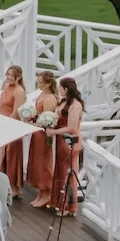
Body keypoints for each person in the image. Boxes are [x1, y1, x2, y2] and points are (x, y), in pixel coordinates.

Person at [51, 74, 85, 216]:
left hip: (69, 141)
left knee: (68, 174)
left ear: (66, 88)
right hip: (60, 140)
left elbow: (71, 128)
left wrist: (54, 131)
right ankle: (60, 202)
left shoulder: (75, 105)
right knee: (61, 171)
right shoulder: (64, 102)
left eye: (60, 87)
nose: (58, 89)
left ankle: (69, 205)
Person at [26, 69, 61, 208]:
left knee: (43, 163)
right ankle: (40, 193)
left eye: (41, 82)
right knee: (36, 162)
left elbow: (45, 121)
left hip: (43, 135)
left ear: (47, 84)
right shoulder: (42, 94)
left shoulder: (49, 99)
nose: (38, 84)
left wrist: (31, 123)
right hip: (37, 133)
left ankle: (46, 193)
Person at [0, 64, 29, 198]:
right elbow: (2, 106)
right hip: (3, 123)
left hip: (12, 126)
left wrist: (6, 124)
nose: (9, 77)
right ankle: (6, 184)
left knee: (12, 157)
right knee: (4, 156)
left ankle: (15, 187)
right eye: (7, 74)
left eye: (11, 75)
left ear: (18, 77)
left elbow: (16, 112)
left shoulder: (19, 91)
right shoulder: (6, 88)